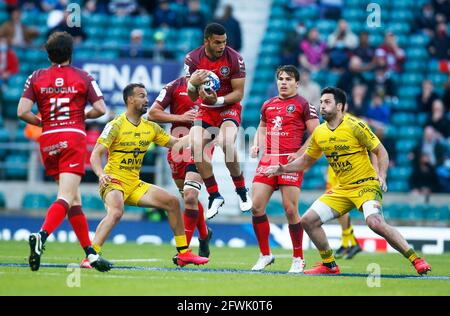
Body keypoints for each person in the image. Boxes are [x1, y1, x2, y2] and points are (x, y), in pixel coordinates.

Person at [265, 87, 432, 275]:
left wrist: (382, 175)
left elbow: (380, 151)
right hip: (343, 189)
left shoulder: (355, 125)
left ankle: (416, 259)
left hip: (366, 184)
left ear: (340, 106)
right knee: (308, 221)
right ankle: (329, 265)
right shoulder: (320, 133)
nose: (322, 106)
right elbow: (305, 161)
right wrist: (283, 169)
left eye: (327, 102)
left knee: (375, 222)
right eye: (321, 102)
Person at [17, 31, 112, 272]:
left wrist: (42, 122)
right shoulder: (83, 76)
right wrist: (81, 116)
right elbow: (101, 109)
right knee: (66, 196)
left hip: (48, 139)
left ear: (48, 54)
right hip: (72, 137)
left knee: (73, 198)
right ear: (71, 52)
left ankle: (90, 253)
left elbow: (21, 111)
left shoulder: (36, 76)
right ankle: (42, 235)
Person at [88, 83, 209, 267]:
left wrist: (196, 133)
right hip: (113, 180)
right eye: (142, 96)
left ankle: (183, 253)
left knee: (173, 202)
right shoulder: (115, 125)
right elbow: (95, 154)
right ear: (130, 99)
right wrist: (100, 174)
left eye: (146, 96)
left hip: (134, 183)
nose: (147, 100)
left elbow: (176, 144)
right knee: (116, 211)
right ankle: (91, 256)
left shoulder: (150, 128)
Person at [250, 65, 320, 273]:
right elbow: (262, 128)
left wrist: (299, 153)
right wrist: (256, 144)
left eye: (288, 79)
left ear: (297, 83)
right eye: (280, 78)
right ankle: (265, 254)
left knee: (290, 210)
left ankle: (298, 258)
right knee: (256, 207)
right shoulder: (268, 105)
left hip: (289, 163)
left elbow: (317, 135)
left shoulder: (304, 105)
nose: (283, 82)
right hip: (268, 160)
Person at [185, 22, 252, 219]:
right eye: (217, 42)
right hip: (206, 110)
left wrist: (218, 100)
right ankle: (214, 195)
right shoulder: (192, 59)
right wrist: (192, 84)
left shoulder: (235, 59)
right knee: (195, 145)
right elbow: (190, 96)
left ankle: (241, 191)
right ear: (206, 41)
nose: (222, 46)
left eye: (224, 42)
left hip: (227, 107)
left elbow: (239, 93)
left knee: (225, 142)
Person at [148, 76, 213, 257]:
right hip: (178, 144)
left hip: (202, 143)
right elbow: (152, 114)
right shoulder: (174, 85)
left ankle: (183, 252)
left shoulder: (214, 85)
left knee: (191, 196)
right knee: (187, 196)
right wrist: (181, 117)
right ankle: (204, 234)